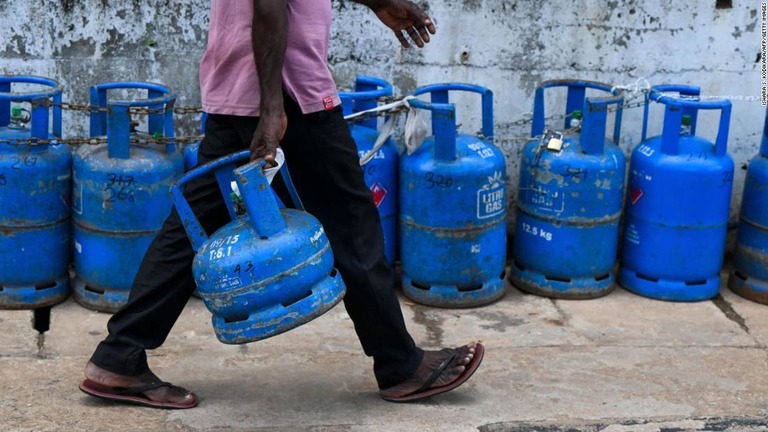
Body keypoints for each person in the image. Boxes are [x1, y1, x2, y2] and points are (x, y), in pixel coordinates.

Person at [78, 0, 484, 409]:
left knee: (194, 227)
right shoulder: (279, 100)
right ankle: (401, 366)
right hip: (287, 95)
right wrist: (272, 109)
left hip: (238, 84)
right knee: (352, 224)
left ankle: (120, 356)